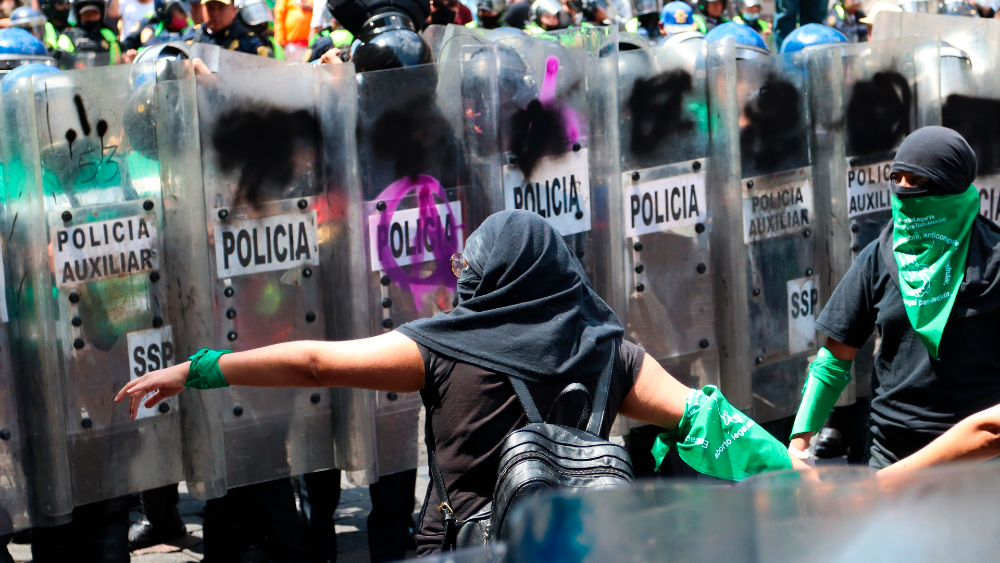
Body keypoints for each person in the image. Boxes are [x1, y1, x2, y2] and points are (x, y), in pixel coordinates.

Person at [117, 210, 804, 554]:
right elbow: (707, 421)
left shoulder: (442, 346)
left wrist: (201, 368)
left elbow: (317, 363)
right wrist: (802, 480)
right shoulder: (610, 348)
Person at [787, 127, 1000, 471]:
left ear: (951, 183)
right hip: (890, 452)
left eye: (916, 180)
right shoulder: (881, 256)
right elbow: (834, 357)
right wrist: (799, 445)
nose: (902, 189)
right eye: (895, 177)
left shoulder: (994, 260)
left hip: (977, 461)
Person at [190, 0, 269, 56]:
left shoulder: (249, 42)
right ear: (202, 9)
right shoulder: (191, 35)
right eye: (210, 8)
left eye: (221, 7)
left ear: (234, 10)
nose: (215, 13)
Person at [56, 0, 122, 64]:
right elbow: (60, 59)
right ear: (78, 14)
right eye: (86, 13)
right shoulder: (69, 35)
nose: (91, 16)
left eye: (94, 13)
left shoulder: (107, 34)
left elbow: (117, 60)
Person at [121, 0, 194, 55]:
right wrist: (132, 55)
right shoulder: (150, 24)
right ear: (167, 11)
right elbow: (127, 45)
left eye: (186, 11)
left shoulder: (191, 31)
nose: (186, 16)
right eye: (181, 11)